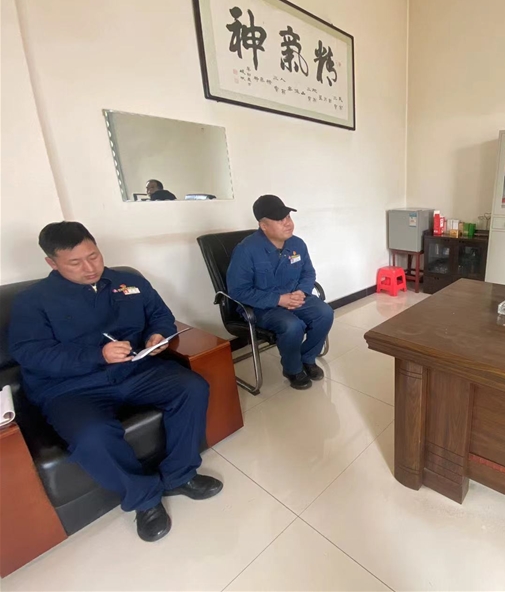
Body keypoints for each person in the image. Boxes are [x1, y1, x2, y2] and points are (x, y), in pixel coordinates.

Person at [8, 222, 222, 542]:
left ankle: (179, 475)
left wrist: (157, 335)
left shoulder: (128, 281)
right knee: (91, 435)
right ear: (52, 263)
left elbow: (160, 315)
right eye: (75, 263)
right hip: (71, 387)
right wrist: (97, 355)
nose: (89, 268)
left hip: (133, 370)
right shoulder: (33, 301)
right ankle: (144, 498)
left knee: (192, 388)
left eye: (93, 256)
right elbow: (31, 353)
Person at [227, 195, 334, 390]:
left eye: (288, 217)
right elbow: (238, 291)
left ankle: (307, 358)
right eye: (279, 219)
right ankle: (293, 369)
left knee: (325, 313)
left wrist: (302, 291)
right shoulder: (246, 250)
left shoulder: (297, 244)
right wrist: (278, 299)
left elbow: (308, 273)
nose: (287, 223)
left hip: (295, 297)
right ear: (263, 226)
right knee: (292, 326)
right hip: (261, 306)